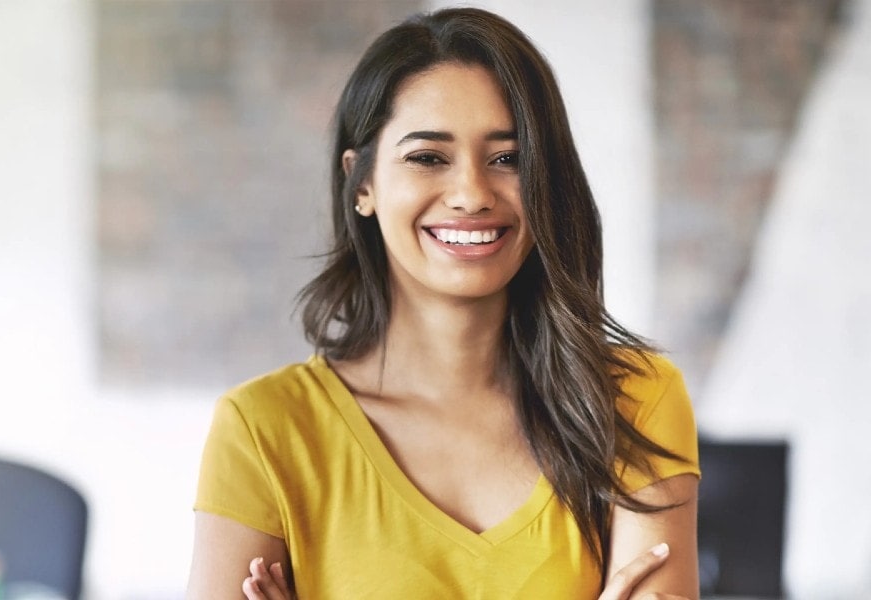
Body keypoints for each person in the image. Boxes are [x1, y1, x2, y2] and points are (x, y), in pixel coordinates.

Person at [187, 7, 700, 599]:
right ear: (364, 184)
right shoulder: (264, 430)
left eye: (509, 158)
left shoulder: (636, 402)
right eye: (428, 157)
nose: (472, 194)